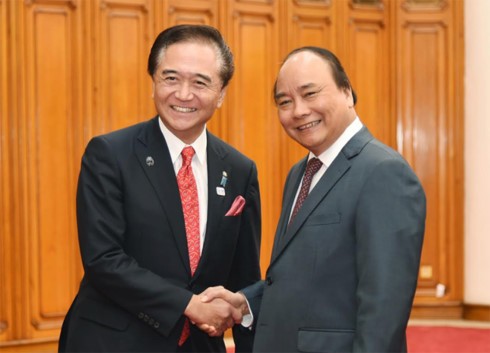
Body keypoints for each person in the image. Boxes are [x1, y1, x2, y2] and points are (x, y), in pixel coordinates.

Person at [201, 46, 426, 352]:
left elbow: (383, 311)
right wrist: (246, 302)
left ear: (347, 92)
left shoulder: (383, 172)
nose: (299, 111)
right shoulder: (300, 173)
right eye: (285, 102)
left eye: (310, 94)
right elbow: (300, 276)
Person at [58, 24, 261, 353]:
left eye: (200, 82)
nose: (183, 94)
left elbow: (244, 276)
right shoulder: (110, 154)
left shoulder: (240, 170)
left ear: (221, 93)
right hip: (113, 342)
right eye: (170, 78)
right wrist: (189, 304)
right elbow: (103, 259)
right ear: (153, 81)